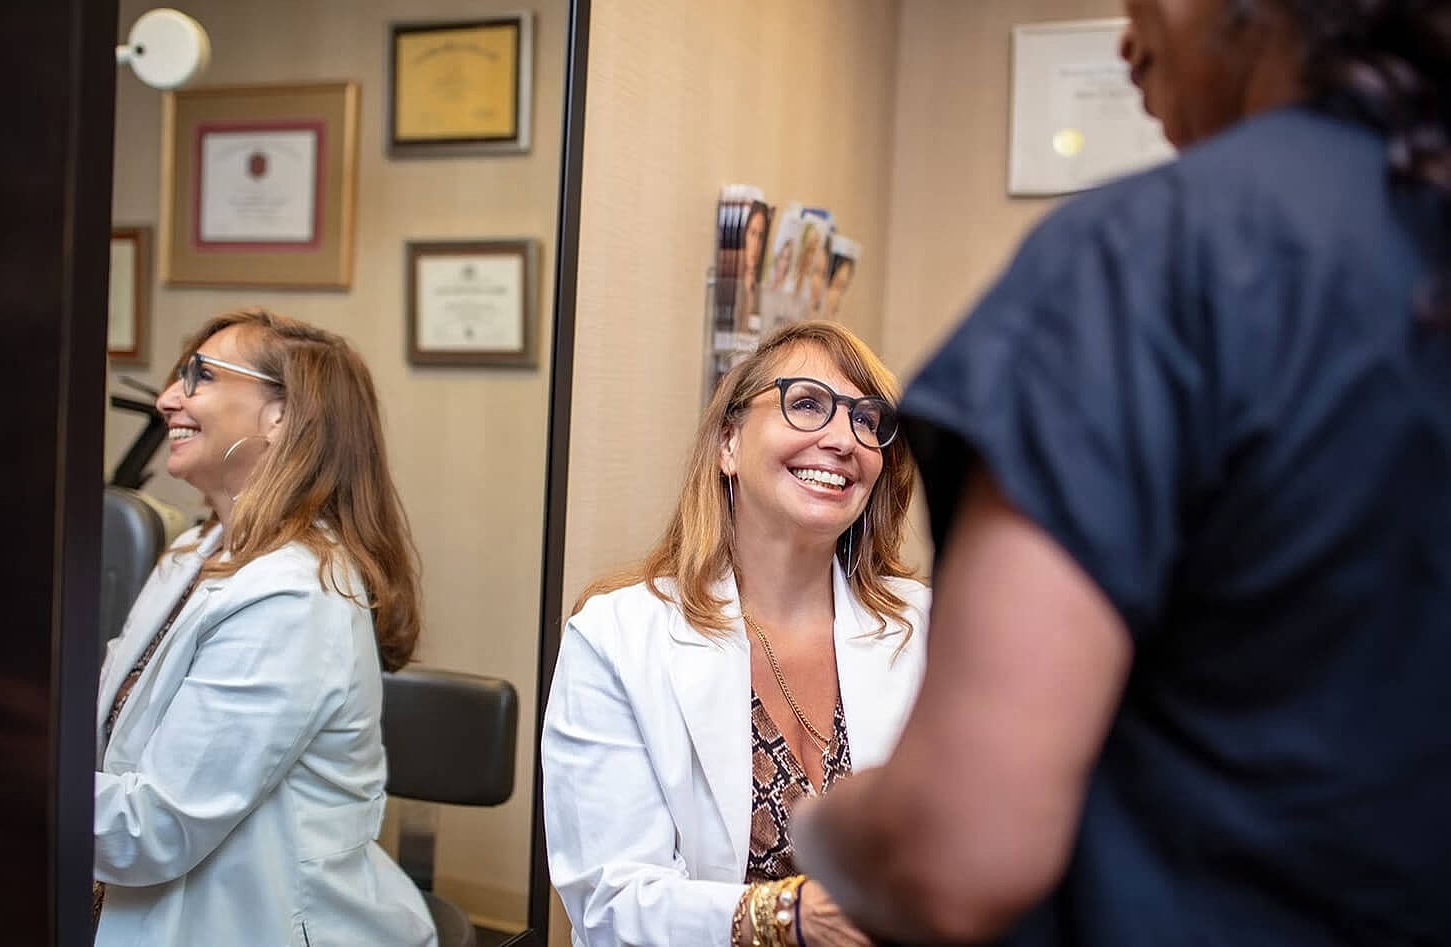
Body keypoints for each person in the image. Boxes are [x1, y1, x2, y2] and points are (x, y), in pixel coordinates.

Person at [790, 1, 1451, 944]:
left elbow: (957, 852)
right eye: (803, 405)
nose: (1126, 40)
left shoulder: (1154, 258)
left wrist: (830, 823)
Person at [543, 320, 932, 947]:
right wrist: (787, 919)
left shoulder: (927, 629)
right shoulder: (617, 638)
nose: (843, 440)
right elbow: (610, 905)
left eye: (868, 421)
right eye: (807, 404)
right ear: (728, 442)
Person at [92, 307, 439, 947]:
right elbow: (115, 703)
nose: (168, 399)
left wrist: (2, 778)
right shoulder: (196, 549)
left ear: (281, 416)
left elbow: (156, 828)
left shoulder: (293, 595)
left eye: (198, 377)